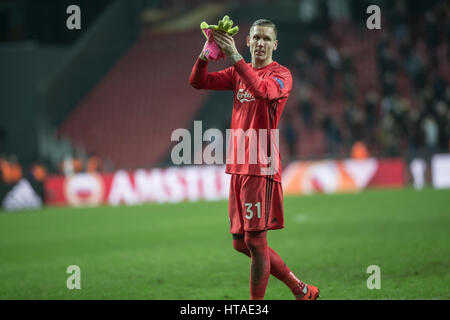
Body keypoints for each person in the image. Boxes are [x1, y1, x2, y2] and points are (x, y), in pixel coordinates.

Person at [190, 19, 319, 300]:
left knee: (256, 241)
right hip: (237, 163)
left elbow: (262, 91)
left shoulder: (282, 75)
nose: (260, 43)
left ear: (275, 45)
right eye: (256, 38)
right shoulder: (239, 74)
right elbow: (197, 82)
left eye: (266, 39)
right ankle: (301, 289)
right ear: (247, 40)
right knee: (240, 243)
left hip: (261, 163)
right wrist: (206, 53)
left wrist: (235, 57)